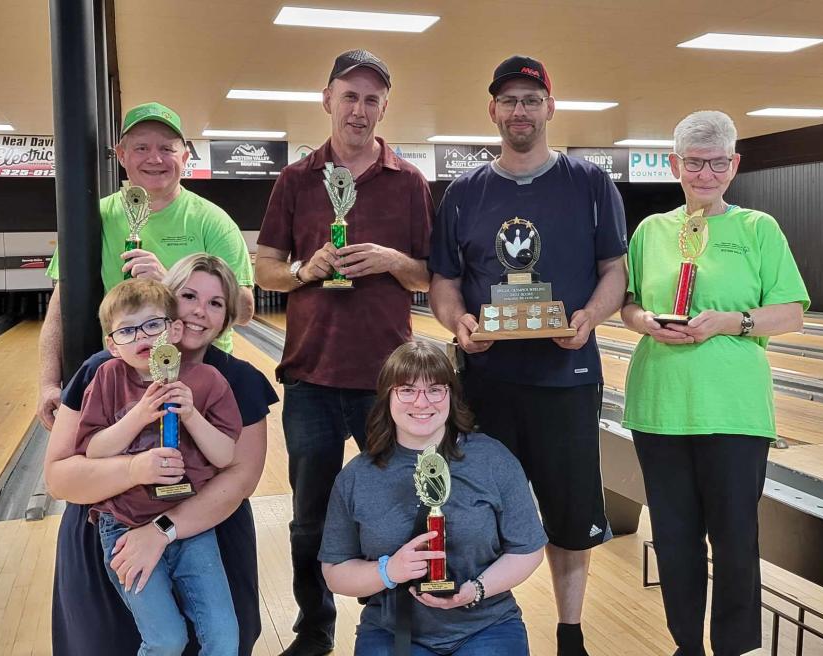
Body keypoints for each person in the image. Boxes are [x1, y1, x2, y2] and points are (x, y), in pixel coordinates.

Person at [428, 55, 627, 656]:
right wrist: (459, 321)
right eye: (509, 100)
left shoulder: (590, 183)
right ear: (492, 110)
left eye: (531, 100)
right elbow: (444, 284)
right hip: (488, 380)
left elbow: (614, 271)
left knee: (569, 515)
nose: (521, 110)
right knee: (482, 509)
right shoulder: (463, 194)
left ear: (550, 106)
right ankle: (487, 622)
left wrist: (590, 318)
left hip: (568, 379)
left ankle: (570, 633)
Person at [254, 49, 433, 656]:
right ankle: (315, 628)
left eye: (372, 98)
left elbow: (428, 276)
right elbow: (266, 270)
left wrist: (391, 261)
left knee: (395, 511)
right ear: (327, 99)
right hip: (310, 377)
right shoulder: (295, 180)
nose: (360, 109)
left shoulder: (408, 182)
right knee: (309, 518)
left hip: (387, 381)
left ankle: (392, 624)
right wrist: (307, 269)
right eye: (349, 96)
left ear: (385, 106)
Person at [621, 110, 809, 656]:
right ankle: (687, 645)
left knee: (734, 541)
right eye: (695, 163)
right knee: (675, 539)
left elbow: (791, 313)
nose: (705, 174)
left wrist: (735, 321)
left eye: (717, 163)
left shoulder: (758, 229)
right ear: (675, 164)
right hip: (659, 407)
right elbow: (628, 304)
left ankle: (733, 648)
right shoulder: (652, 231)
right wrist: (646, 324)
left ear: (735, 165)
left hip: (734, 410)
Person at [45, 254, 278, 655]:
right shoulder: (101, 371)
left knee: (224, 638)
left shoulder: (234, 381)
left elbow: (239, 478)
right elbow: (60, 475)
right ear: (170, 302)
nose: (199, 312)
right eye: (188, 295)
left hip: (204, 530)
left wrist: (161, 531)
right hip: (115, 530)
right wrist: (135, 469)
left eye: (216, 303)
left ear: (225, 318)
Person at [320, 341, 547, 655]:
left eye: (435, 389)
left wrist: (477, 589)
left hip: (485, 626)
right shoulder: (357, 476)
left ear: (451, 396)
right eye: (407, 390)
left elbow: (528, 549)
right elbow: (335, 572)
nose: (422, 402)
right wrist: (389, 571)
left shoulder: (492, 458)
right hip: (392, 630)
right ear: (387, 397)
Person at [38, 101, 255, 429]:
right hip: (123, 382)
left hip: (202, 380)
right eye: (141, 147)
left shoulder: (213, 221)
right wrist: (48, 384)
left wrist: (172, 282)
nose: (155, 158)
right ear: (122, 155)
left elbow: (245, 311)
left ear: (184, 158)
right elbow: (59, 307)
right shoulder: (94, 217)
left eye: (167, 148)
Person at [75, 277, 241, 654]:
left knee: (223, 636)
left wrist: (193, 415)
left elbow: (224, 456)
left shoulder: (206, 380)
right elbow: (93, 451)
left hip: (189, 523)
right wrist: (138, 415)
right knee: (166, 639)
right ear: (111, 346)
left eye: (153, 325)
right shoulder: (106, 377)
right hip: (123, 525)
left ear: (174, 329)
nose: (142, 337)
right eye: (128, 331)